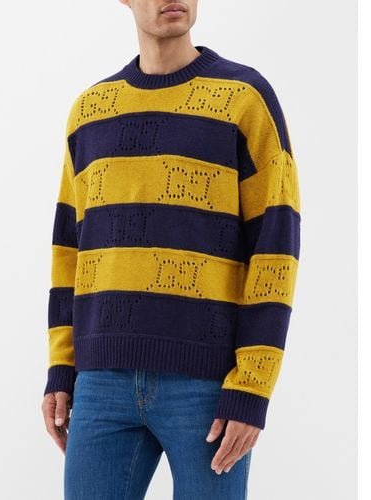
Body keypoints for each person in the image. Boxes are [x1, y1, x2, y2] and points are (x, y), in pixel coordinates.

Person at [41, 1, 301, 498]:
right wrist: (61, 367)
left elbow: (276, 246)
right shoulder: (90, 112)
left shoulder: (244, 99)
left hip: (207, 388)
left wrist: (253, 385)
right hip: (100, 383)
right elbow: (69, 249)